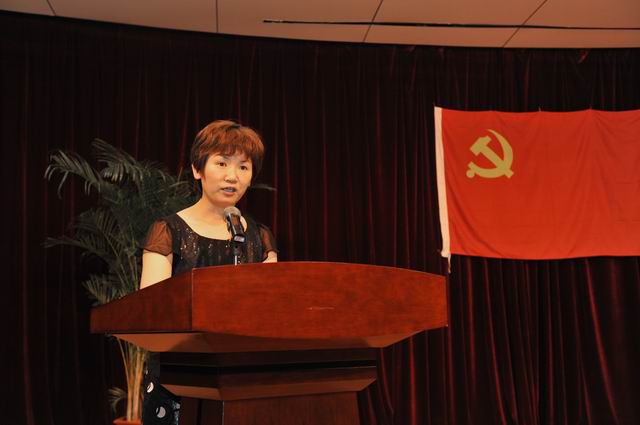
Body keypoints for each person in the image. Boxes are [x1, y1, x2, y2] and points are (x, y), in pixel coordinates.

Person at [139, 120, 278, 424]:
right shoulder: (167, 231)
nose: (232, 176)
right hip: (177, 380)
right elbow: (150, 311)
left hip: (243, 378)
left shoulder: (261, 237)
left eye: (244, 167)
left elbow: (271, 313)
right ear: (197, 169)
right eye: (222, 163)